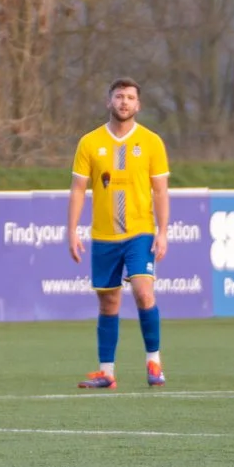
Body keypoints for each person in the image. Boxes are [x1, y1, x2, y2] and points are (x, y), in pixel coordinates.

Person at [67, 80, 170, 388]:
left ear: (138, 105)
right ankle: (107, 373)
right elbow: (78, 189)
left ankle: (154, 362)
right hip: (104, 236)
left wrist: (163, 232)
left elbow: (160, 191)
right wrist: (72, 230)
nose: (124, 102)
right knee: (108, 303)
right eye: (119, 96)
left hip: (140, 232)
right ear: (108, 101)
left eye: (130, 97)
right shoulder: (89, 142)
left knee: (143, 292)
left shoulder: (151, 142)